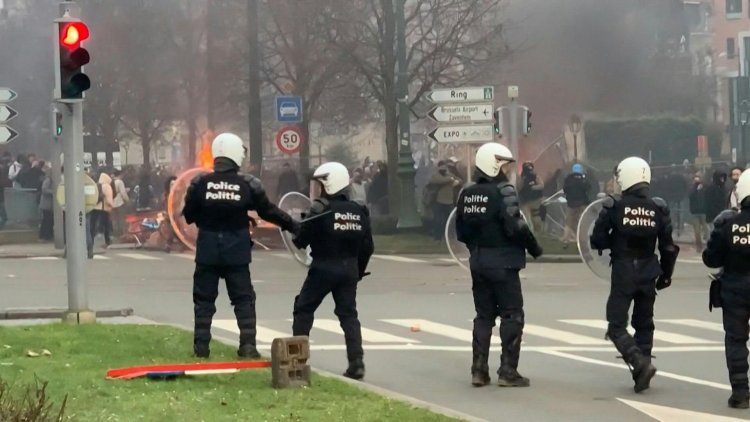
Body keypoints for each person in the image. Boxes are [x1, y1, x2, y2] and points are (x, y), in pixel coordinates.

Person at [183, 133, 299, 359]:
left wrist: (208, 218)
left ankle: (201, 347)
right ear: (237, 155)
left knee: (204, 300)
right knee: (243, 299)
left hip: (207, 250)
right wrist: (293, 225)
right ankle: (247, 346)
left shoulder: (199, 183)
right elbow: (269, 211)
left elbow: (188, 215)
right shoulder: (248, 184)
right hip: (236, 251)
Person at [455, 142, 543, 388]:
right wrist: (534, 247)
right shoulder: (504, 191)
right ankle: (507, 371)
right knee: (512, 314)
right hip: (503, 263)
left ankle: (478, 371)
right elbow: (516, 226)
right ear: (494, 165)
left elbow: (460, 231)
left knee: (483, 316)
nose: (508, 170)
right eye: (504, 165)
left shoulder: (467, 193)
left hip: (478, 261)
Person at [590, 157, 679, 393]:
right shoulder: (659, 208)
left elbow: (596, 239)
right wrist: (666, 276)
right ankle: (643, 371)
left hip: (624, 269)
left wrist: (614, 240)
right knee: (644, 324)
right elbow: (668, 247)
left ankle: (638, 362)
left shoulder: (614, 206)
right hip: (650, 269)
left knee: (616, 325)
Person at [291, 162, 374, 380]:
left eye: (320, 185)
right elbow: (368, 247)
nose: (318, 190)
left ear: (329, 184)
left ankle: (297, 364)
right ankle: (356, 364)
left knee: (304, 309)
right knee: (349, 316)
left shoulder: (321, 210)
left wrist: (299, 225)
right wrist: (358, 270)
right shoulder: (359, 211)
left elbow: (300, 241)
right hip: (349, 269)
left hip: (323, 267)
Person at [703, 169, 750, 409]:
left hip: (735, 289)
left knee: (736, 340)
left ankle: (741, 393)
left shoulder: (727, 223)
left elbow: (711, 259)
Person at [427, 160, 462, 240]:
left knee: (450, 221)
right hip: (438, 201)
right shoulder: (435, 175)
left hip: (449, 201)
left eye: (444, 167)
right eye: (442, 167)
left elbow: (460, 180)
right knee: (438, 220)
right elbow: (439, 180)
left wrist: (455, 181)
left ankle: (450, 237)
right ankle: (437, 237)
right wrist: (451, 180)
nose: (443, 169)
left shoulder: (449, 174)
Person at [561, 163, 591, 243]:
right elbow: (588, 187)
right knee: (582, 221)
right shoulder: (583, 178)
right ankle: (583, 238)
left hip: (571, 204)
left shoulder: (568, 178)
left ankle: (565, 238)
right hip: (583, 203)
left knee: (569, 222)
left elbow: (565, 189)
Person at [518, 161, 545, 234]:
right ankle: (535, 232)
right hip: (531, 200)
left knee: (530, 217)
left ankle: (534, 231)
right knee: (533, 216)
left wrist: (532, 187)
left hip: (530, 200)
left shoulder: (525, 177)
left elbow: (519, 187)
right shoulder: (533, 176)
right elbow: (541, 185)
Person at [90, 171, 115, 248]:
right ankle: (107, 241)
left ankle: (90, 241)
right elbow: (108, 200)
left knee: (92, 225)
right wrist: (112, 206)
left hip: (95, 207)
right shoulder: (107, 186)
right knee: (106, 226)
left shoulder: (96, 185)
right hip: (104, 209)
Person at [688, 174, 708, 252]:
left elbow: (708, 197)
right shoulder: (692, 188)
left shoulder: (705, 188)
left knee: (707, 230)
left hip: (703, 211)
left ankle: (708, 244)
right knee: (697, 231)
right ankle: (699, 246)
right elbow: (690, 196)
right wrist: (696, 189)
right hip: (695, 211)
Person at [38, 169, 54, 241]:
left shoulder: (50, 180)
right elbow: (44, 189)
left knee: (48, 220)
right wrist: (53, 192)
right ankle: (45, 235)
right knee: (46, 220)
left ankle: (47, 234)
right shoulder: (48, 180)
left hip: (49, 204)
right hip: (46, 204)